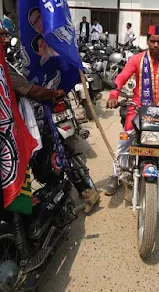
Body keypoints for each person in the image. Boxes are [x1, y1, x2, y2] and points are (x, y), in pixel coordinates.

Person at [0, 29, 100, 212]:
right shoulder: (5, 65)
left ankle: (84, 191)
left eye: (6, 36)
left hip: (30, 123)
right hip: (15, 130)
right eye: (2, 37)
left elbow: (29, 89)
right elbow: (29, 89)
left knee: (54, 155)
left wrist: (53, 93)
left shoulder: (8, 65)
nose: (6, 40)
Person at [105, 25, 159, 196]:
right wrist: (113, 95)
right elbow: (122, 77)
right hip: (138, 109)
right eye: (153, 41)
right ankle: (116, 175)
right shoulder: (137, 59)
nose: (156, 45)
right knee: (123, 142)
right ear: (147, 41)